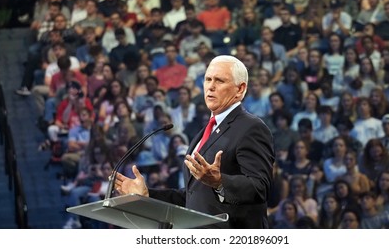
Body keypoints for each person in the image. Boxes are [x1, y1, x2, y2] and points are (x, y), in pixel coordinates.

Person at [115, 55, 275, 228]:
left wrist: (220, 182)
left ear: (240, 89)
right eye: (208, 79)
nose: (211, 86)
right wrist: (147, 195)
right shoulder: (204, 132)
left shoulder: (251, 127)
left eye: (219, 81)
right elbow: (194, 197)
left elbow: (260, 188)